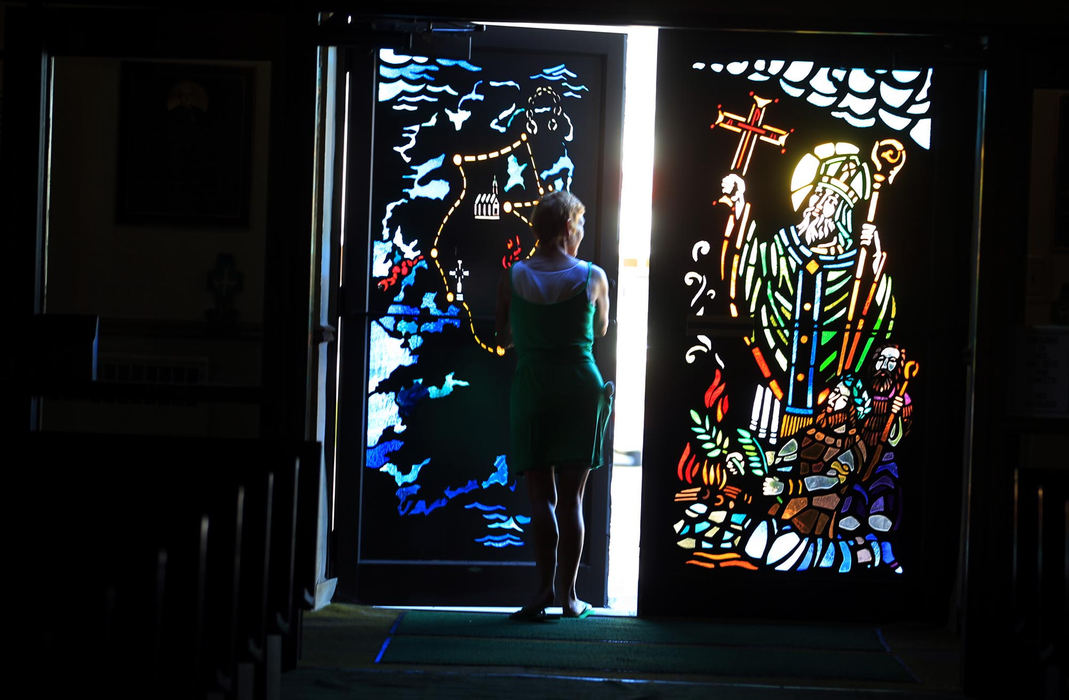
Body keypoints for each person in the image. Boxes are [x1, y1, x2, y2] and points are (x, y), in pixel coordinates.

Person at [718, 142, 895, 442]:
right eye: (816, 193)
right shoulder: (781, 247)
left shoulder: (856, 267)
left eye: (826, 198)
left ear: (842, 211)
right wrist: (739, 205)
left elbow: (874, 314)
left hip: (827, 394)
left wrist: (876, 263)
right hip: (773, 381)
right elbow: (749, 273)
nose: (815, 203)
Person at [495, 189, 613, 621]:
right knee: (573, 500)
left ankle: (542, 590)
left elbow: (502, 335)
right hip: (580, 389)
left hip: (534, 390)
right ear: (568, 227)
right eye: (580, 224)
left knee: (540, 498)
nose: (582, 232)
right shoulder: (593, 277)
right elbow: (599, 331)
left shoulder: (513, 277)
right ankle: (569, 597)